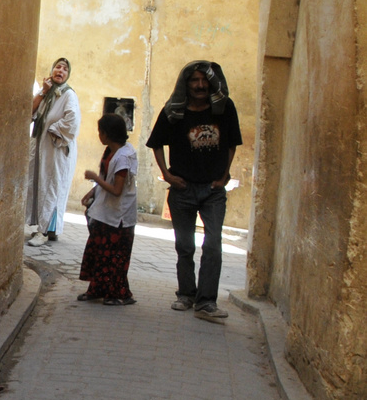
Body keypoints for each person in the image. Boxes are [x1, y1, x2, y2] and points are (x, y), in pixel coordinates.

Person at [145, 61, 241, 321]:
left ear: (211, 82)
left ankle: (207, 301)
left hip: (212, 190)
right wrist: (167, 174)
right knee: (185, 245)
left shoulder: (224, 109)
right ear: (185, 84)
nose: (200, 85)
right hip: (183, 190)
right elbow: (156, 144)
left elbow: (232, 144)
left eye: (204, 80)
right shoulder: (174, 111)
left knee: (212, 245)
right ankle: (186, 295)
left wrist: (223, 176)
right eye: (194, 80)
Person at [78, 113, 138, 305]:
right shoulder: (109, 152)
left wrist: (95, 178)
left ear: (106, 134)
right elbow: (108, 179)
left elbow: (117, 190)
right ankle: (97, 289)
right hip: (105, 212)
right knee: (99, 253)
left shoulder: (124, 157)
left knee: (114, 257)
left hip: (119, 216)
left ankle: (118, 294)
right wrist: (93, 191)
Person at [27, 58, 80, 245]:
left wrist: (54, 130)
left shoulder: (68, 95)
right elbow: (29, 112)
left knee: (52, 186)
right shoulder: (47, 94)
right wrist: (43, 91)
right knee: (41, 183)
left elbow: (72, 121)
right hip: (42, 148)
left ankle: (43, 231)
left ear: (68, 74)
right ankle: (49, 229)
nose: (60, 71)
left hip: (56, 149)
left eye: (65, 69)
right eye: (58, 67)